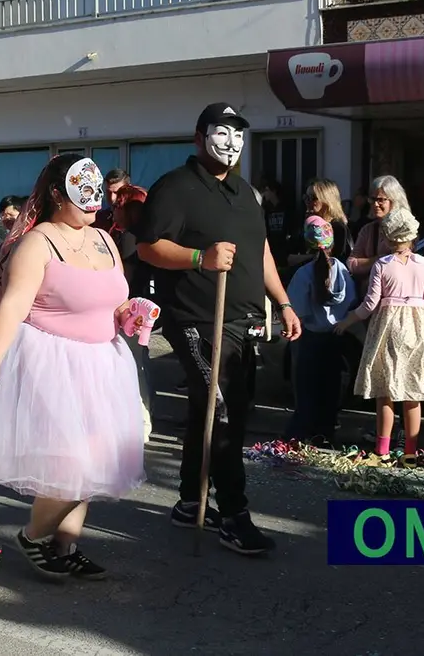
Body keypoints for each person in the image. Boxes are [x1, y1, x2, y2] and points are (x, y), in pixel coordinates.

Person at [134, 102, 301, 556]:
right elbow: (148, 247)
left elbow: (260, 252)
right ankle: (233, 515)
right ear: (198, 137)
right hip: (198, 320)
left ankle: (191, 500)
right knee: (222, 414)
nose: (230, 143)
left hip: (244, 322)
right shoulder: (175, 188)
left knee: (213, 415)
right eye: (220, 133)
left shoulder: (247, 193)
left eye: (237, 135)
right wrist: (198, 258)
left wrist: (282, 301)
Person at [0, 154, 145, 579]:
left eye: (95, 195)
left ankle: (64, 548)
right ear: (55, 194)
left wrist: (131, 312)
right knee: (74, 464)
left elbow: (113, 299)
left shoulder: (105, 240)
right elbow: (13, 305)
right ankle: (32, 536)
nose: (92, 203)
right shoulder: (38, 242)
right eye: (80, 194)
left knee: (96, 462)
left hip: (104, 362)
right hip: (52, 363)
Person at [334, 208, 424, 467]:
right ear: (413, 236)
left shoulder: (383, 265)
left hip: (389, 328)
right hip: (420, 328)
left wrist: (347, 320)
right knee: (412, 392)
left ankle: (382, 450)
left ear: (388, 237)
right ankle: (410, 454)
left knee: (386, 391)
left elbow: (370, 304)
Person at [285, 216, 355, 447]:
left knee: (307, 389)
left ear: (307, 242)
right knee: (330, 388)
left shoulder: (302, 273)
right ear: (332, 243)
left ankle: (301, 431)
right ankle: (325, 433)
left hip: (310, 337)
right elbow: (352, 301)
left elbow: (298, 310)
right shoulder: (343, 271)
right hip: (336, 337)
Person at [111, 183, 155, 441]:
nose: (112, 210)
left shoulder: (129, 238)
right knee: (140, 365)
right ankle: (144, 419)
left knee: (134, 367)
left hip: (131, 311)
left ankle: (142, 422)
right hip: (142, 310)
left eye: (118, 206)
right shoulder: (146, 235)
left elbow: (121, 281)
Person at [349, 175, 410, 282]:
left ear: (395, 200)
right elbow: (352, 263)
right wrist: (380, 259)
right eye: (373, 199)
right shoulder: (367, 230)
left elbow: (404, 262)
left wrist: (367, 263)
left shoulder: (406, 230)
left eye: (381, 200)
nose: (375, 204)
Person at [294, 179, 351, 266]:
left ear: (327, 201)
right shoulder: (308, 224)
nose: (307, 201)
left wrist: (308, 257)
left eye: (313, 198)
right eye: (306, 197)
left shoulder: (338, 227)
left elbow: (337, 261)